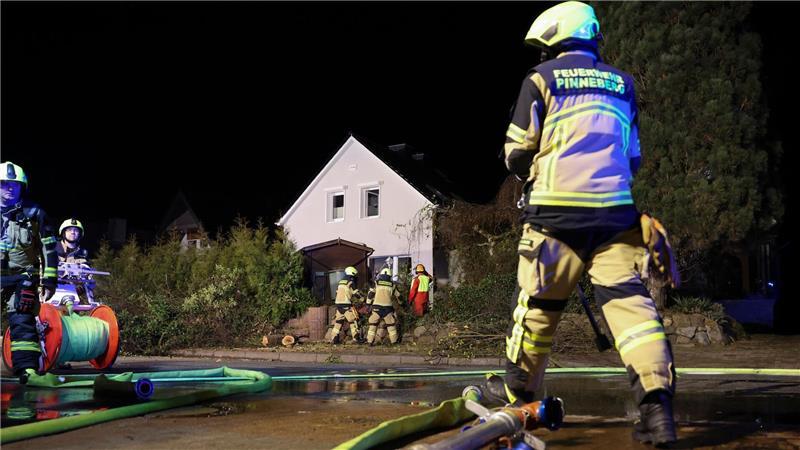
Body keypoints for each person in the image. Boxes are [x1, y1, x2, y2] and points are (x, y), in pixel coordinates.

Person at [489, 2, 679, 446]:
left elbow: (516, 152)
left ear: (555, 40)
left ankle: (520, 402)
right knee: (635, 317)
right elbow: (634, 157)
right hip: (616, 218)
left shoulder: (541, 81)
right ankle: (658, 414)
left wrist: (530, 171)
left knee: (537, 312)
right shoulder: (623, 84)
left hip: (554, 222)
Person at [0, 161, 58, 383]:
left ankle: (27, 371)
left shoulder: (35, 213)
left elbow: (49, 248)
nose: (9, 189)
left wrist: (50, 280)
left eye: (14, 185)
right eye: (4, 184)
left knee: (23, 323)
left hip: (21, 279)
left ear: (22, 187)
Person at [328, 266, 364, 344]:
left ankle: (333, 338)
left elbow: (337, 293)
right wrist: (362, 299)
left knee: (338, 322)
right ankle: (356, 338)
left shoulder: (341, 282)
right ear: (352, 274)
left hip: (338, 305)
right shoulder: (350, 282)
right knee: (354, 320)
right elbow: (356, 293)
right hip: (346, 305)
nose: (355, 277)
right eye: (354, 275)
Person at [365, 267, 400, 345]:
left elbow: (370, 295)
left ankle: (369, 341)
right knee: (391, 326)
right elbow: (399, 296)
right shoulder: (392, 285)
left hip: (376, 308)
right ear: (390, 276)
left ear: (380, 275)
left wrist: (368, 304)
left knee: (373, 325)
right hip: (388, 309)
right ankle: (394, 342)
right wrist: (402, 303)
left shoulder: (376, 283)